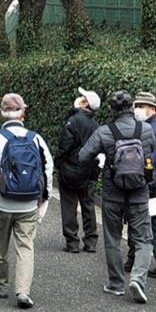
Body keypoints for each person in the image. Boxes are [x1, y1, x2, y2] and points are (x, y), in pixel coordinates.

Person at [78, 89, 156, 304]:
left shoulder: (105, 131)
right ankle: (138, 279)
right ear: (132, 107)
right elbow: (152, 154)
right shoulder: (147, 130)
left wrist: (103, 159)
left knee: (112, 238)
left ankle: (115, 284)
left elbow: (83, 156)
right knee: (144, 239)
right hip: (139, 192)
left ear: (111, 109)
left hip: (113, 194)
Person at [0, 92, 53, 310]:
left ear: (1, 112)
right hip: (28, 204)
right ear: (23, 112)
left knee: (0, 247)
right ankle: (23, 292)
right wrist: (44, 197)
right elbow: (47, 168)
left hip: (1, 204)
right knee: (25, 247)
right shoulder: (36, 138)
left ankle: (1, 287)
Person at [126, 91, 156, 281]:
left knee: (144, 222)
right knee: (155, 222)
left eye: (141, 106)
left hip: (151, 186)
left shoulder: (151, 130)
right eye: (135, 106)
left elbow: (149, 161)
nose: (137, 110)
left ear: (152, 109)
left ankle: (154, 264)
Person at [55, 87, 101, 253]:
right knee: (88, 205)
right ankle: (91, 241)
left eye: (82, 97)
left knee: (69, 205)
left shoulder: (73, 121)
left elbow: (64, 146)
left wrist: (58, 163)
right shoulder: (96, 125)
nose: (78, 98)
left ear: (85, 103)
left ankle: (72, 242)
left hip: (70, 169)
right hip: (89, 170)